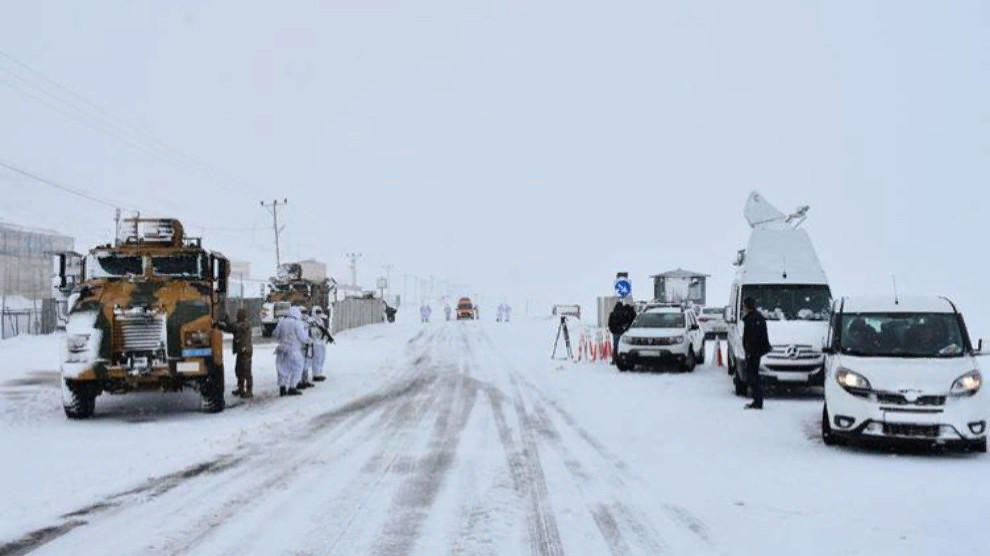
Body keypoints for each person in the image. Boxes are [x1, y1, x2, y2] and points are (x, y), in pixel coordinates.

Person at [272, 305, 311, 397]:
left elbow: (275, 334)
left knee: (282, 369)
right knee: (297, 368)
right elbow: (303, 337)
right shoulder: (298, 323)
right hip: (294, 350)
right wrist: (308, 340)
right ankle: (292, 387)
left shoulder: (281, 322)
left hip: (281, 350)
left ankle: (282, 388)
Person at [742, 297, 772, 409]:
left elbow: (753, 338)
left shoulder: (753, 319)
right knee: (753, 376)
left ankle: (757, 400)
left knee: (753, 377)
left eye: (744, 306)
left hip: (754, 352)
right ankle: (756, 399)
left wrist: (750, 351)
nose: (743, 308)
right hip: (755, 351)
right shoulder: (757, 318)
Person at [220, 308, 253, 399]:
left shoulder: (245, 324)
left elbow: (235, 327)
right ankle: (241, 388)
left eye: (239, 315)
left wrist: (227, 322)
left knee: (246, 371)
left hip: (245, 351)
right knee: (239, 370)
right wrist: (222, 326)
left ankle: (249, 391)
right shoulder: (239, 324)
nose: (237, 316)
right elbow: (230, 329)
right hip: (240, 351)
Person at [305, 308, 334, 383]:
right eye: (317, 312)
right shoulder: (310, 320)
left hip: (321, 342)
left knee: (322, 358)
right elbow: (310, 331)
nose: (318, 313)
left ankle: (320, 373)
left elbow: (325, 329)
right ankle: (316, 375)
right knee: (316, 359)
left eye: (319, 312)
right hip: (315, 342)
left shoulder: (321, 320)